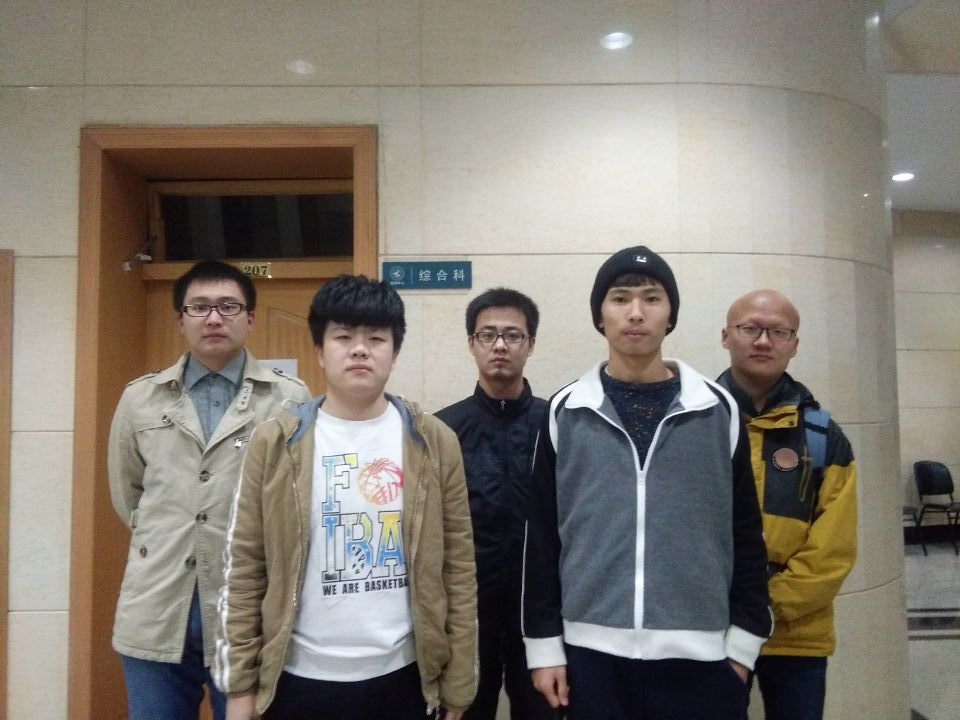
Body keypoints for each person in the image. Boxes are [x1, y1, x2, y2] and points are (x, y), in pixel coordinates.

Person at [522, 246, 772, 720]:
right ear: (600, 315)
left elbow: (744, 532)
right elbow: (542, 538)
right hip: (590, 654)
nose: (635, 312)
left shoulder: (717, 410)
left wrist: (743, 646)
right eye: (620, 299)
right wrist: (544, 647)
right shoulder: (566, 410)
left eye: (652, 298)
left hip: (702, 655)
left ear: (670, 314)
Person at [213, 274, 477, 720]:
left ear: (394, 352)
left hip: (405, 676)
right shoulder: (275, 442)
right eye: (343, 336)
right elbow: (244, 568)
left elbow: (459, 568)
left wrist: (460, 683)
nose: (360, 349)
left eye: (376, 338)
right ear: (319, 350)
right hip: (297, 680)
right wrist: (240, 687)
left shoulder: (434, 442)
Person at [108, 260, 311, 720]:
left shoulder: (289, 398)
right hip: (157, 608)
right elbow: (129, 496)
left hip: (248, 612)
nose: (214, 318)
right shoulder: (140, 398)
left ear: (251, 318)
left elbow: (295, 500)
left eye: (228, 306)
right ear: (180, 320)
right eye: (199, 307)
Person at [717, 289, 857, 720]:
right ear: (726, 336)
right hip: (713, 627)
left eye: (779, 332)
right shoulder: (695, 422)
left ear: (794, 344)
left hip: (798, 633)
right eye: (750, 329)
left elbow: (833, 547)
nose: (763, 341)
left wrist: (767, 605)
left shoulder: (823, 435)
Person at [436, 288, 558, 720]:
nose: (500, 345)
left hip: (541, 615)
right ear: (472, 344)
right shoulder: (444, 430)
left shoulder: (557, 423)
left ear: (531, 344)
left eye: (513, 335)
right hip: (468, 616)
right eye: (488, 335)